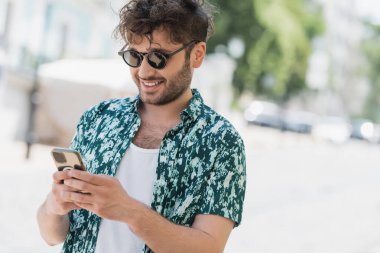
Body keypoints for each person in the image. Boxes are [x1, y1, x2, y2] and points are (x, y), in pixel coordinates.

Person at [37, 0, 246, 252]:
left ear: (197, 54)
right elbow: (51, 235)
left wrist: (129, 210)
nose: (144, 71)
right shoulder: (99, 118)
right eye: (134, 56)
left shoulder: (220, 141)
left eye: (158, 58)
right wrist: (54, 206)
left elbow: (209, 247)